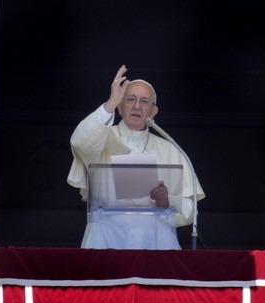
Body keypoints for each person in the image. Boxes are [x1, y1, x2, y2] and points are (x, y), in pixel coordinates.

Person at [67, 65, 205, 249]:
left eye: (144, 101)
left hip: (156, 241)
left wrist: (167, 200)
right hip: (105, 238)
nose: (137, 106)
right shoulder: (100, 138)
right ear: (120, 107)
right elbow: (79, 143)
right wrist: (111, 102)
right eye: (130, 99)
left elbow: (190, 210)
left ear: (152, 111)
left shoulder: (171, 149)